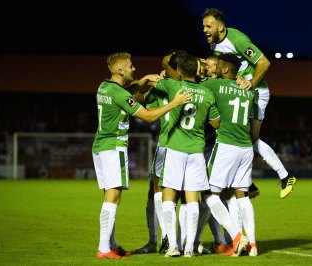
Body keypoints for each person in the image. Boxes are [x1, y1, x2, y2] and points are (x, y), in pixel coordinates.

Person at [92, 52, 191, 259]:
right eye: (130, 66)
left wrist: (144, 81)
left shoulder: (104, 87)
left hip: (100, 147)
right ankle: (103, 248)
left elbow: (125, 91)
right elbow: (146, 116)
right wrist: (174, 103)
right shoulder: (120, 95)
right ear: (120, 70)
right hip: (113, 148)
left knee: (110, 197)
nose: (133, 69)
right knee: (113, 198)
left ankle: (112, 243)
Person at [202, 8, 296, 199]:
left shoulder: (237, 39)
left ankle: (284, 176)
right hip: (239, 92)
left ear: (220, 26)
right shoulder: (215, 46)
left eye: (208, 26)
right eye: (203, 26)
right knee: (233, 133)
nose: (204, 29)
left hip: (255, 92)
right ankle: (248, 182)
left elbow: (264, 63)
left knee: (250, 138)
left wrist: (251, 83)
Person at [148, 53, 221, 258]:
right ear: (198, 70)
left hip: (175, 149)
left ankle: (172, 246)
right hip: (197, 151)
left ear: (179, 72)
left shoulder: (173, 87)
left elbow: (156, 80)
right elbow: (216, 123)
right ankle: (189, 247)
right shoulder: (208, 94)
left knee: (169, 198)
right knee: (192, 200)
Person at [201, 53, 258, 256]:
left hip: (226, 145)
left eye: (217, 66)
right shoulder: (250, 92)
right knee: (242, 197)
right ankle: (252, 245)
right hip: (245, 148)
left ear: (224, 69)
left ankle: (235, 236)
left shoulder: (214, 86)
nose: (213, 68)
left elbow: (191, 81)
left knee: (208, 194)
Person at [133, 49, 188, 255]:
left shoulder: (167, 86)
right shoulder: (188, 85)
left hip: (170, 144)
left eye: (166, 65)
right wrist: (147, 82)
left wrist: (150, 82)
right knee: (178, 194)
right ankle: (168, 241)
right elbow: (138, 100)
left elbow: (137, 101)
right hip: (183, 146)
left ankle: (166, 239)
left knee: (163, 192)